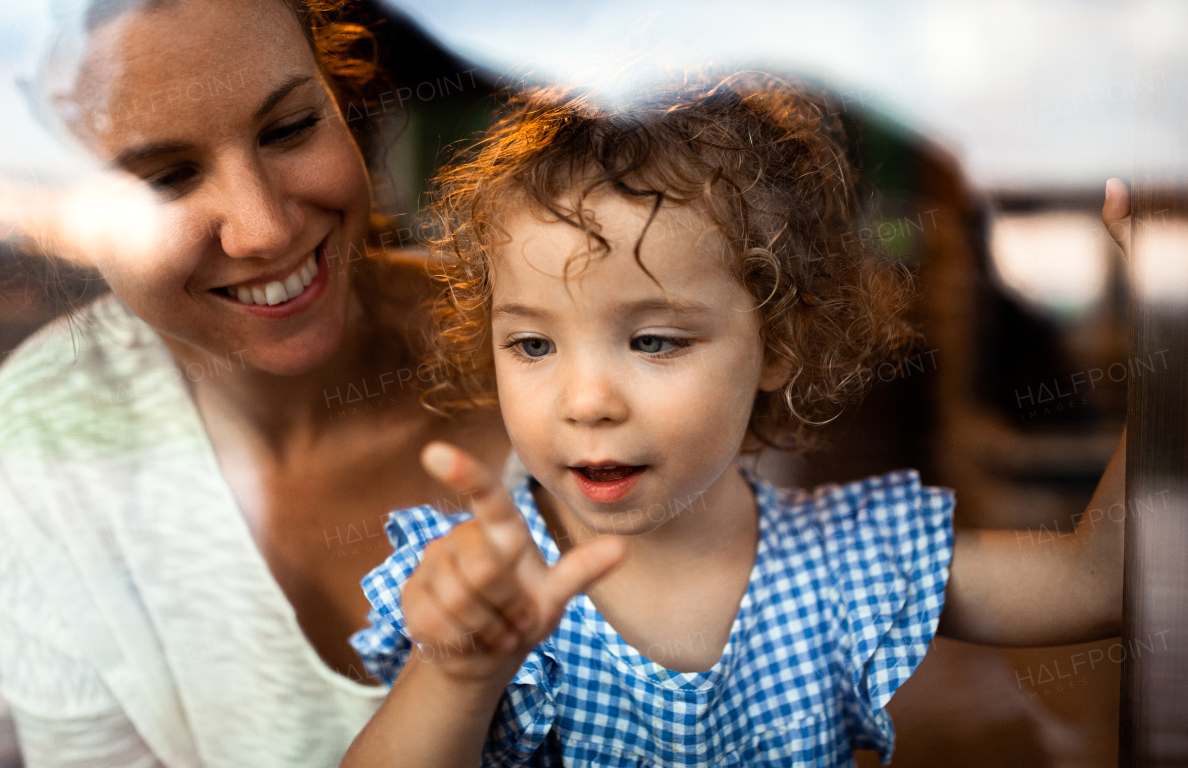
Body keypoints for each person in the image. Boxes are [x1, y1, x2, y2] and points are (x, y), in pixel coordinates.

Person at [342, 79, 1130, 767]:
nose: (585, 402)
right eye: (532, 344)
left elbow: (1099, 580)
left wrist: (1173, 304)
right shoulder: (482, 583)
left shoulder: (848, 563)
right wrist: (458, 668)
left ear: (777, 343)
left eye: (654, 341)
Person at [0, 0, 509, 768]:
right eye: (166, 177)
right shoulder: (49, 428)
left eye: (291, 128)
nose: (261, 231)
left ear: (343, 98)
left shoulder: (555, 340)